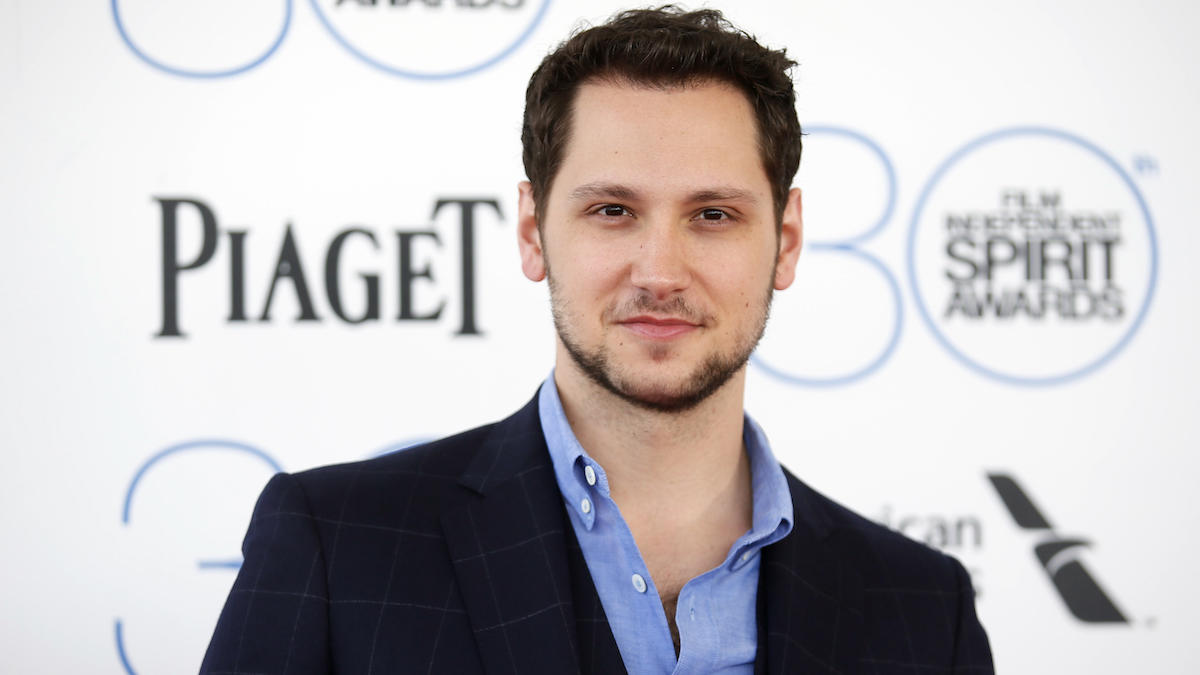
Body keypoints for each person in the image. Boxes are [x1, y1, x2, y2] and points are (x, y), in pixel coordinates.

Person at [201, 7, 993, 674]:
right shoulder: (339, 547)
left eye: (712, 214)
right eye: (612, 210)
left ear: (784, 242)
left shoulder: (924, 608)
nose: (660, 270)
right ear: (532, 231)